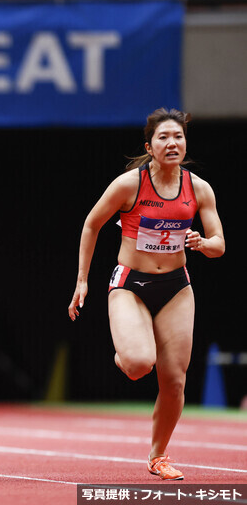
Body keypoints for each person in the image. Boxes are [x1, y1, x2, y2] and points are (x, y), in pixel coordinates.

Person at [68, 108, 224, 480]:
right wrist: (82, 280)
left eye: (178, 137)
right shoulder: (129, 185)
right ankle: (127, 353)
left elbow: (219, 245)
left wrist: (202, 242)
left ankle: (158, 455)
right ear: (149, 146)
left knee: (174, 380)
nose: (172, 143)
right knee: (139, 365)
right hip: (130, 285)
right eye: (164, 138)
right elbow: (92, 224)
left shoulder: (198, 188)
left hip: (176, 288)